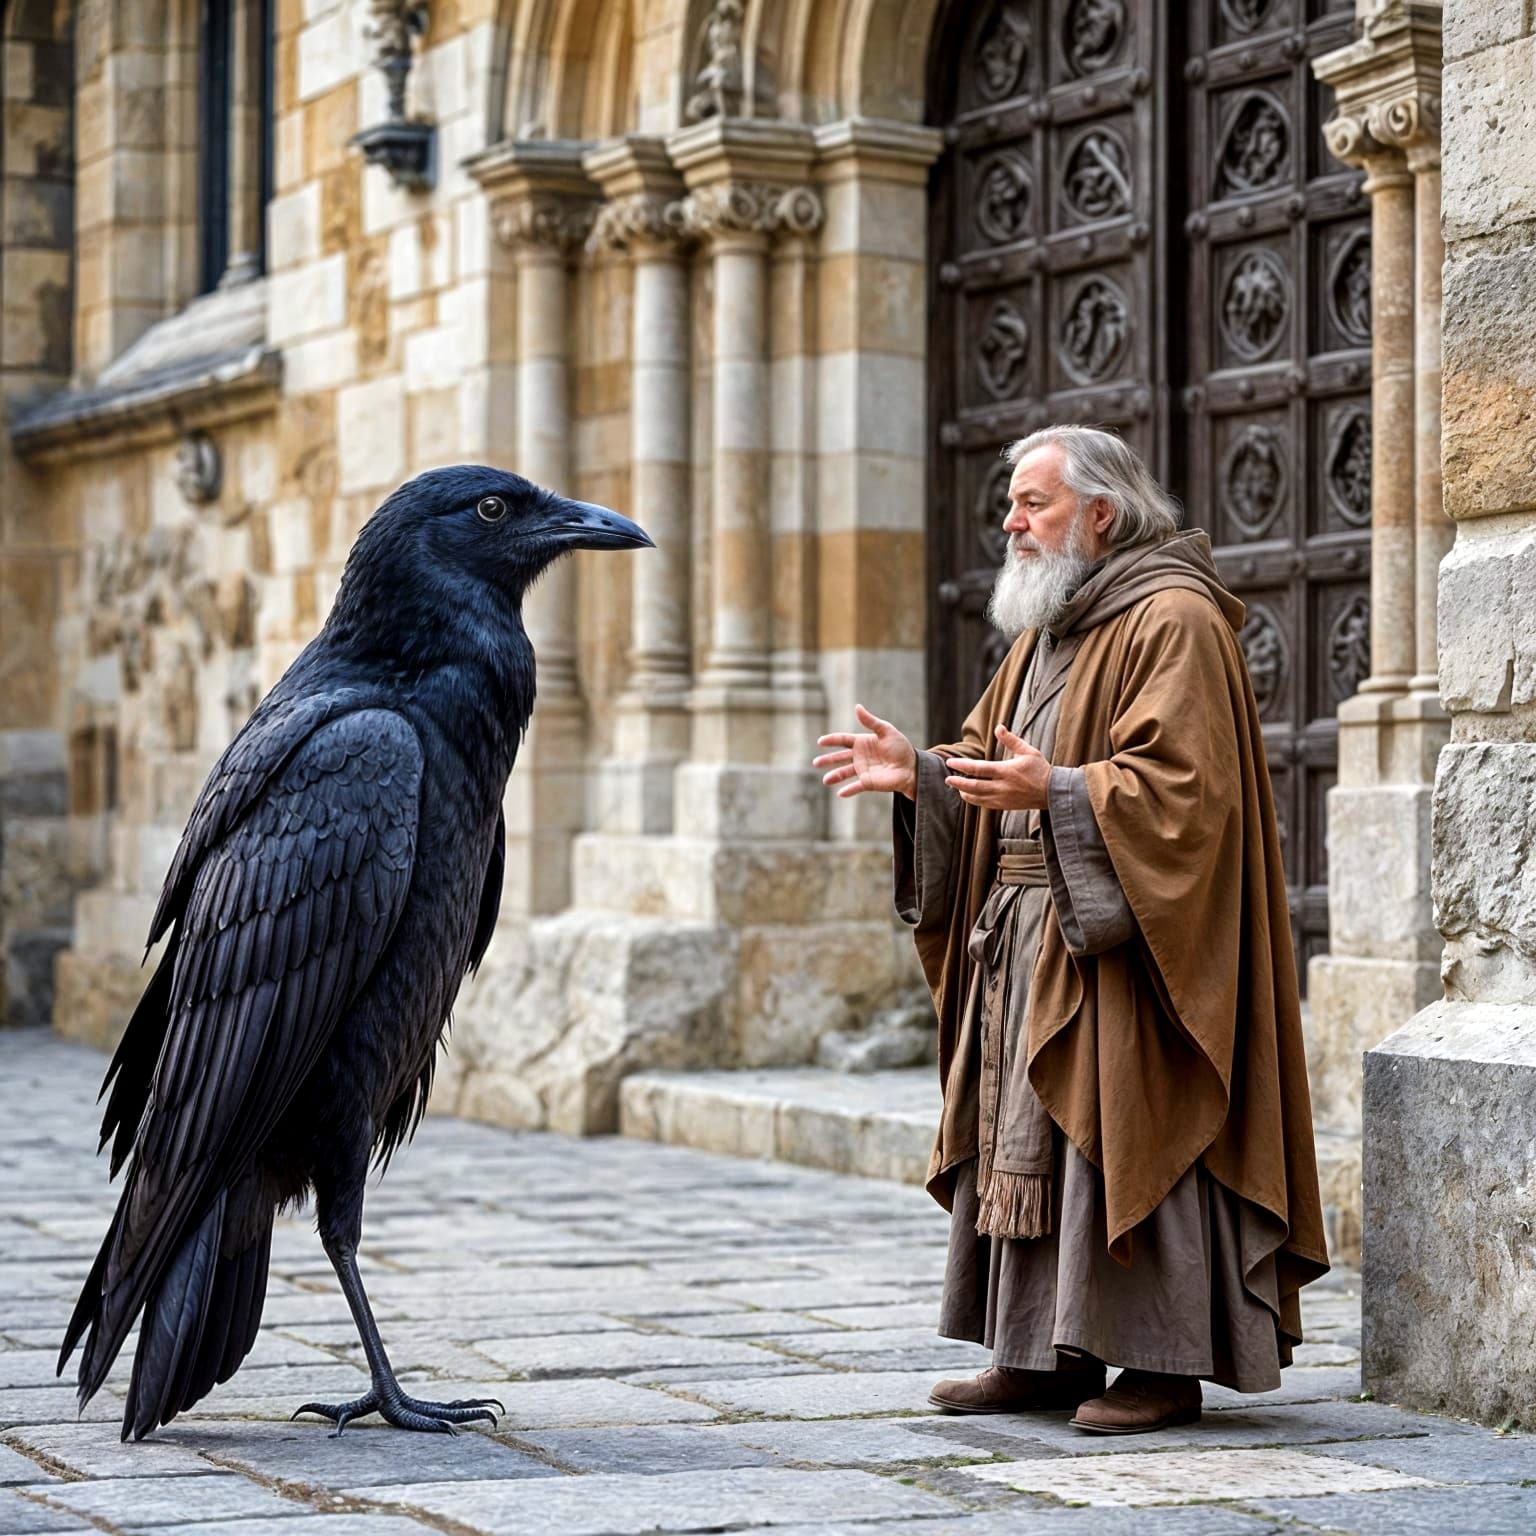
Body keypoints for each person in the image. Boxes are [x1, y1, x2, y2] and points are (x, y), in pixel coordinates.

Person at [812, 425, 1328, 1434]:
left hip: (1123, 941)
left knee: (1126, 1126)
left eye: (1032, 503)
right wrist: (922, 775)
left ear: (1101, 512)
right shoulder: (1048, 630)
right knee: (1029, 1142)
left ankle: (1161, 1364)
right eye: (1011, 504)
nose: (1011, 523)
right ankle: (1042, 1353)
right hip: (1021, 933)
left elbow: (1186, 793)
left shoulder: (1175, 618)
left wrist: (1060, 792)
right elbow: (989, 760)